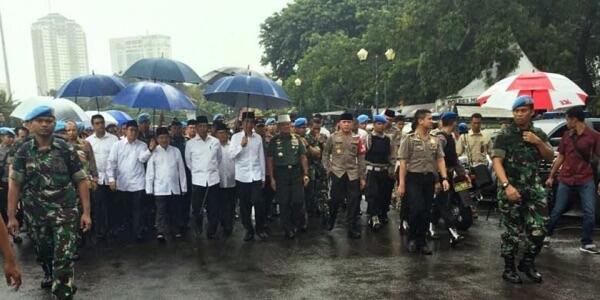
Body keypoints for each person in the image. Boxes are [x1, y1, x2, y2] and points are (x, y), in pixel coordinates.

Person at [7, 105, 91, 299]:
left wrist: (86, 212)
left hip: (65, 213)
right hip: (36, 215)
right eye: (40, 121)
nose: (45, 124)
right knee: (44, 252)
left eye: (49, 121)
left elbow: (81, 179)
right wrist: (11, 216)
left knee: (63, 257)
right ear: (29, 125)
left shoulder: (66, 148)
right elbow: (15, 184)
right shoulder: (22, 151)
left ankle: (62, 292)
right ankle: (48, 271)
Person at [491, 95, 554, 284]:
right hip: (510, 188)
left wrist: (537, 142)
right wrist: (506, 186)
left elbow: (550, 157)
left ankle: (527, 262)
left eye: (523, 111)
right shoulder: (504, 135)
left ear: (532, 112)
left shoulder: (539, 134)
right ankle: (509, 268)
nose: (519, 114)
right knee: (512, 232)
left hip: (533, 189)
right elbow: (497, 162)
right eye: (516, 111)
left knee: (540, 228)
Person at [545, 106, 600, 254]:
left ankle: (586, 242)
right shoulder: (566, 136)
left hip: (585, 178)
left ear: (574, 119)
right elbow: (561, 157)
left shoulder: (593, 136)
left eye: (567, 119)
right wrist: (551, 176)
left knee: (589, 211)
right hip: (566, 178)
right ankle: (546, 235)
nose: (567, 122)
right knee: (558, 209)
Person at [397, 109, 449, 255]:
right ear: (420, 121)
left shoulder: (435, 139)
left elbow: (440, 159)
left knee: (426, 211)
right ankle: (412, 239)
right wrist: (401, 184)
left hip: (429, 179)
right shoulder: (409, 139)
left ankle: (422, 241)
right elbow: (403, 162)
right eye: (429, 119)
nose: (431, 121)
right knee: (416, 209)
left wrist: (444, 178)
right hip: (413, 178)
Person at [107, 120, 154, 242]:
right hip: (122, 183)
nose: (133, 132)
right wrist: (111, 179)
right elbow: (111, 163)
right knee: (125, 210)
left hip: (138, 183)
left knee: (138, 209)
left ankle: (137, 232)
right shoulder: (117, 145)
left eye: (135, 130)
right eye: (131, 130)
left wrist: (150, 150)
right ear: (125, 131)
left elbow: (142, 159)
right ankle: (127, 232)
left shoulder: (142, 145)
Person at [322, 112, 366, 239]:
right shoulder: (333, 137)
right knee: (335, 199)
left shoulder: (358, 139)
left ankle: (351, 227)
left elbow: (361, 158)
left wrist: (362, 177)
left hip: (353, 174)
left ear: (352, 124)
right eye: (344, 122)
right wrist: (328, 168)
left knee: (353, 201)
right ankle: (331, 220)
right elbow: (325, 154)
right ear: (340, 124)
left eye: (349, 122)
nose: (346, 124)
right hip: (337, 172)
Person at [268, 115, 310, 239]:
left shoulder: (297, 139)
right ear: (279, 127)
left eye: (288, 124)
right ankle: (288, 228)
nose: (286, 127)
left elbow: (303, 157)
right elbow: (270, 160)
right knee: (284, 202)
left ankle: (298, 222)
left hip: (296, 173)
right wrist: (272, 178)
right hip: (281, 174)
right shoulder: (274, 141)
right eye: (283, 125)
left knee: (298, 200)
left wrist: (306, 174)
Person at [431, 112, 467, 246]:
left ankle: (431, 225)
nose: (457, 124)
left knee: (441, 202)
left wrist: (462, 174)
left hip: (450, 175)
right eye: (455, 121)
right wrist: (436, 180)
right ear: (453, 122)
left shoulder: (450, 137)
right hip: (441, 176)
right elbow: (435, 160)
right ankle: (452, 231)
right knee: (443, 203)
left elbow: (454, 159)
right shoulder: (441, 138)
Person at [230, 112, 266, 242]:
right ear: (242, 123)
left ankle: (260, 228)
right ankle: (248, 230)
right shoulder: (235, 137)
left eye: (251, 122)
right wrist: (241, 145)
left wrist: (263, 177)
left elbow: (261, 157)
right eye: (246, 122)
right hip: (242, 177)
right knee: (244, 206)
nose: (249, 124)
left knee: (258, 202)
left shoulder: (258, 138)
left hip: (255, 175)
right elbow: (231, 155)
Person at [146, 127, 187, 241]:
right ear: (157, 139)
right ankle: (161, 231)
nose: (164, 140)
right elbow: (150, 172)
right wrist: (149, 189)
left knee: (175, 210)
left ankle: (175, 229)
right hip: (160, 187)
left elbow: (181, 170)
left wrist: (183, 187)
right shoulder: (153, 152)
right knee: (161, 211)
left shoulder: (175, 151)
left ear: (169, 138)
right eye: (161, 138)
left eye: (166, 137)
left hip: (174, 187)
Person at [185, 116, 222, 240]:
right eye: (199, 126)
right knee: (197, 207)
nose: (202, 128)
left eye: (204, 126)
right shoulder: (190, 144)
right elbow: (189, 162)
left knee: (214, 207)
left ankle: (211, 229)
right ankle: (198, 225)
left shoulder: (215, 141)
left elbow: (219, 159)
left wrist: (210, 170)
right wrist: (199, 172)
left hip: (213, 180)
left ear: (208, 127)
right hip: (198, 180)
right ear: (196, 128)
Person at [86, 115, 119, 242]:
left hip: (111, 179)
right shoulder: (89, 141)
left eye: (101, 123)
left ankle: (111, 230)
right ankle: (99, 231)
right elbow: (88, 162)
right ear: (93, 125)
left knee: (112, 205)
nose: (100, 125)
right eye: (97, 123)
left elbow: (116, 160)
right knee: (98, 206)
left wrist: (113, 178)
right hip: (96, 179)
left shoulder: (113, 139)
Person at [364, 115, 393, 231]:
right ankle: (374, 216)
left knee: (384, 194)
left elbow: (391, 155)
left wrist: (392, 168)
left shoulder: (388, 139)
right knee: (372, 194)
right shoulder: (369, 138)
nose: (381, 126)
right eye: (379, 124)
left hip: (384, 170)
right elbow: (363, 153)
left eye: (383, 124)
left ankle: (382, 213)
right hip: (372, 170)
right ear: (374, 124)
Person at [305, 118, 329, 226]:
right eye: (314, 128)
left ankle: (322, 209)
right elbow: (315, 154)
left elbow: (326, 152)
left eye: (318, 128)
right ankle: (311, 211)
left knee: (323, 190)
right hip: (311, 168)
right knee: (311, 191)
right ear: (310, 127)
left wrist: (322, 143)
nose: (317, 131)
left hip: (321, 167)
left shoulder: (323, 137)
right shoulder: (306, 138)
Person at [216, 122, 236, 236]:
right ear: (216, 134)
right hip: (218, 181)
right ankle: (222, 222)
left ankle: (229, 224)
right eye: (220, 133)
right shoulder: (213, 145)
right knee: (219, 205)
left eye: (225, 133)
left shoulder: (233, 145)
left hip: (231, 180)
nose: (223, 135)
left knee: (231, 205)